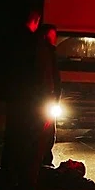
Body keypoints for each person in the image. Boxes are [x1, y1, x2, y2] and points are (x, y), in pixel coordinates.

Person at [0, 10, 43, 190]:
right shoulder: (34, 44)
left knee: (11, 145)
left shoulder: (9, 41)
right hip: (30, 103)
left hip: (14, 101)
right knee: (28, 148)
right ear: (35, 21)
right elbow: (39, 76)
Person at [36, 24, 61, 167]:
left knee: (48, 133)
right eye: (53, 35)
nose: (55, 38)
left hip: (49, 99)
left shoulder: (50, 52)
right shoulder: (45, 53)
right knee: (45, 133)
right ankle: (42, 163)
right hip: (45, 99)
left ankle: (45, 161)